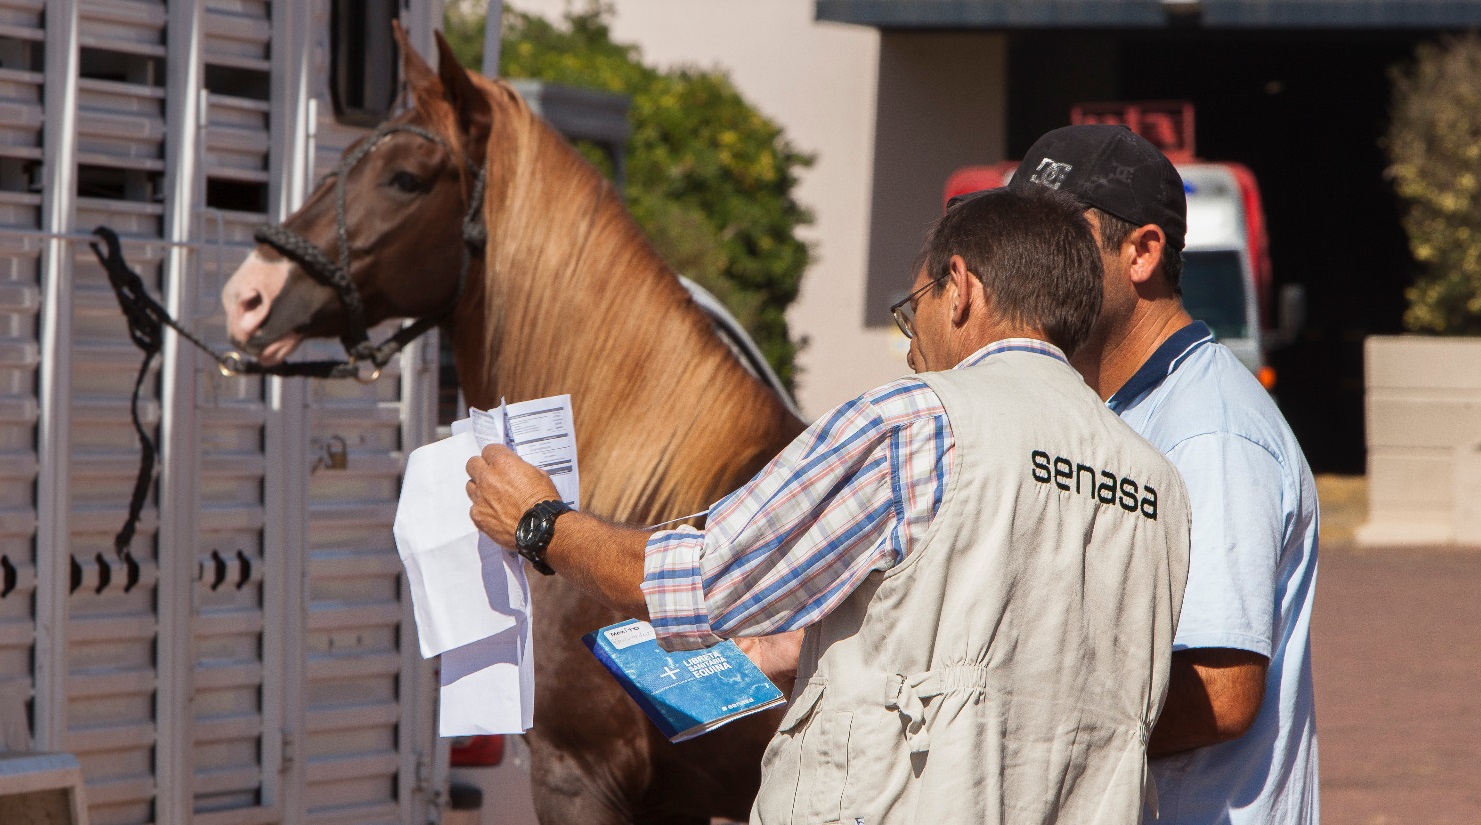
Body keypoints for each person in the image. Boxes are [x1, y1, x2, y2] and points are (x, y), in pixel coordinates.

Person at [465, 187, 1191, 824]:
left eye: (914, 312)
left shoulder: (912, 420)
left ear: (960, 288)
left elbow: (703, 580)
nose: (912, 350)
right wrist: (816, 643)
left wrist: (542, 522)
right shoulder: (1153, 478)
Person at [1000, 125, 1322, 824]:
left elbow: (1220, 687)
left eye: (1052, 237)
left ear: (1141, 252)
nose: (1022, 264)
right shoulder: (1111, 405)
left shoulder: (1210, 430)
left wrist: (1015, 731)